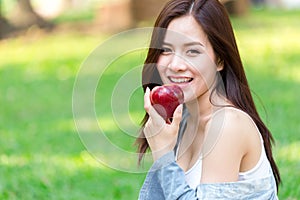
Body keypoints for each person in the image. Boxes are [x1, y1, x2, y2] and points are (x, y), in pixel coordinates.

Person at [135, 0, 281, 199]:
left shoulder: (228, 124)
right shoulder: (183, 119)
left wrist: (163, 155)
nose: (175, 65)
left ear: (219, 60)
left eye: (192, 51)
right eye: (166, 50)